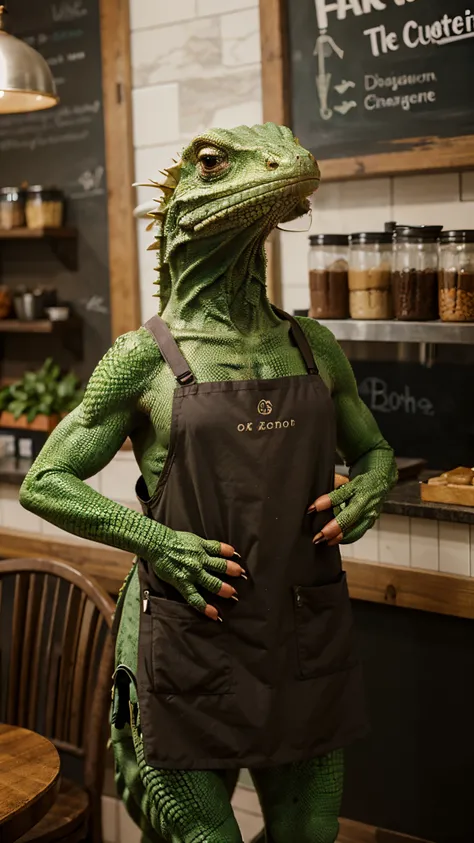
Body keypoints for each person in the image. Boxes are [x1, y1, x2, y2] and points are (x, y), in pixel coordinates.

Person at [20, 122, 396, 843]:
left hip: (301, 631)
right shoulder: (140, 357)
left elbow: (375, 451)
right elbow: (46, 480)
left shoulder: (313, 346)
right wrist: (154, 538)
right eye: (218, 163)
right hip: (189, 632)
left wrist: (370, 486)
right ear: (184, 205)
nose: (276, 167)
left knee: (313, 832)